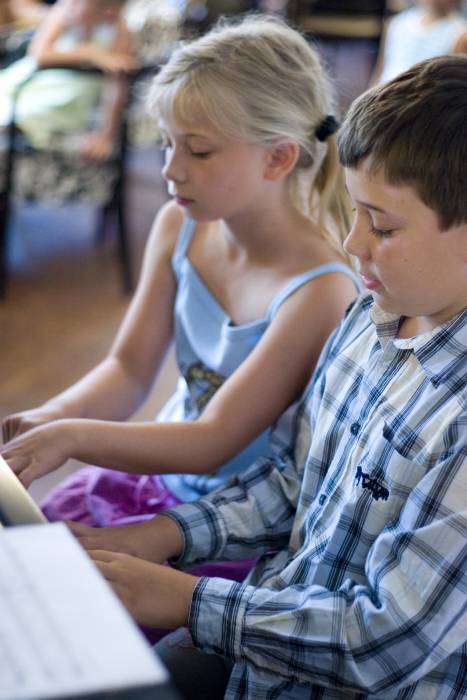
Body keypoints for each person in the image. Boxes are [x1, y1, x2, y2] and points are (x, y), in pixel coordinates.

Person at [67, 54, 466, 699]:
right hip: (264, 635)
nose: (353, 243)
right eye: (355, 213)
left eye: (383, 225)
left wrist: (191, 601)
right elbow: (297, 480)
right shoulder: (373, 317)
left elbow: (385, 641)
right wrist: (160, 534)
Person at [1, 17, 359, 559]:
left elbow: (212, 440)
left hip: (229, 522)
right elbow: (128, 368)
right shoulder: (179, 224)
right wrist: (51, 417)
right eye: (167, 144)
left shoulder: (321, 292)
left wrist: (71, 436)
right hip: (164, 479)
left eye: (200, 150)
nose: (171, 170)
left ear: (279, 157)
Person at [0, 0, 135, 159]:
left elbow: (117, 86)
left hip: (72, 99)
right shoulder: (63, 11)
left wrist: (105, 136)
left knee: (25, 116)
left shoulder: (120, 29)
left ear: (109, 10)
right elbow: (39, 54)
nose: (73, 7)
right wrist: (90, 54)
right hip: (35, 81)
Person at [372, 0, 467, 84]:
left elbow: (453, 83)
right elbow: (381, 69)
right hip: (384, 96)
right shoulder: (397, 23)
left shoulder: (460, 33)